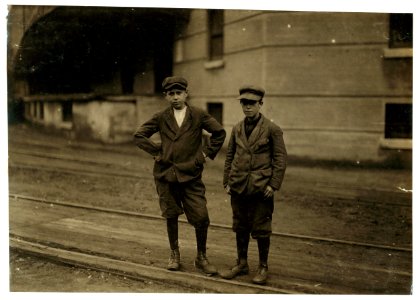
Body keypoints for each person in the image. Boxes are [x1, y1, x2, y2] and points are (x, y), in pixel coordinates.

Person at [133, 76, 226, 275]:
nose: (175, 97)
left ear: (186, 94)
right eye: (171, 94)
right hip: (166, 175)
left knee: (201, 217)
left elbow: (219, 133)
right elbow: (139, 135)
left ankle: (201, 257)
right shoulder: (161, 117)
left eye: (179, 93)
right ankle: (174, 254)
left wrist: (204, 155)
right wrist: (158, 152)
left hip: (191, 175)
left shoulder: (198, 115)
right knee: (171, 214)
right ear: (166, 96)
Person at [220, 85, 287, 285]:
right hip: (239, 186)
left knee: (262, 228)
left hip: (260, 188)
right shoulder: (237, 128)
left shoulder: (272, 129)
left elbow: (280, 159)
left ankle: (263, 266)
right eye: (244, 103)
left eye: (252, 103)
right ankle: (241, 264)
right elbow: (230, 155)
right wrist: (227, 181)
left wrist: (273, 185)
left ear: (260, 104)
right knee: (240, 226)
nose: (247, 107)